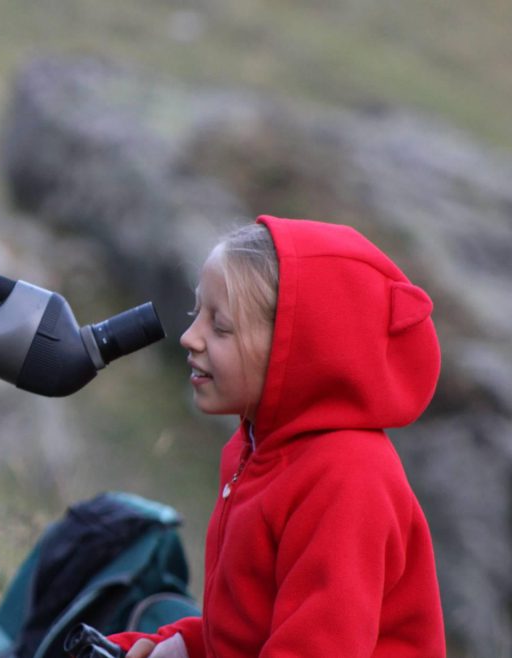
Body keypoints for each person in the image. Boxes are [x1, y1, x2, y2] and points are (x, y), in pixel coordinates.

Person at [110, 216, 446, 657]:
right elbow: (249, 626)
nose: (190, 337)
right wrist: (182, 645)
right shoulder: (256, 445)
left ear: (299, 345)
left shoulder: (348, 479)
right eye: (197, 314)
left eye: (221, 327)